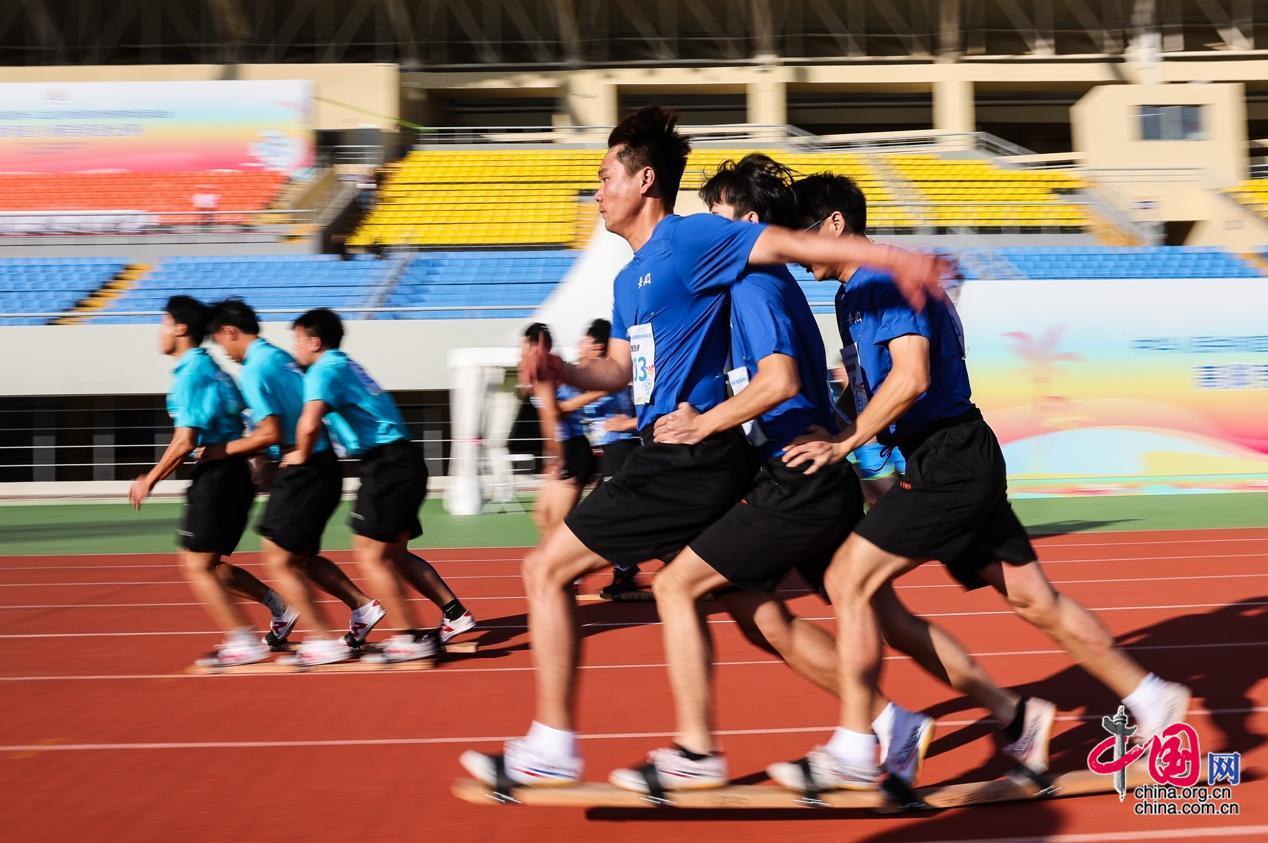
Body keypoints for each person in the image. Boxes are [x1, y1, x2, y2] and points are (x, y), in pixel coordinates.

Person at [458, 105, 944, 789]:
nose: (596, 191)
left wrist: (896, 256)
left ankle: (561, 745)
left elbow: (794, 247)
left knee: (546, 571)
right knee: (754, 610)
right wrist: (563, 371)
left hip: (687, 455)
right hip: (699, 455)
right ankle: (885, 721)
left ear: (644, 179)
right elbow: (621, 370)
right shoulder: (629, 279)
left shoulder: (697, 238)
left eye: (603, 177)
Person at [767, 172, 1191, 792]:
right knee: (1031, 599)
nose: (799, 257)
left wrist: (848, 441)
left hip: (952, 459)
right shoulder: (855, 292)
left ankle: (860, 745)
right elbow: (886, 384)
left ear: (833, 225)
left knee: (846, 580)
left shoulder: (882, 279)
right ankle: (1145, 698)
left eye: (799, 238)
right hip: (946, 455)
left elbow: (909, 377)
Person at [607, 152, 933, 794]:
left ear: (748, 223)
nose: (701, 230)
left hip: (796, 478)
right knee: (765, 613)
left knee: (678, 588)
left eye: (715, 216)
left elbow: (776, 381)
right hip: (789, 471)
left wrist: (704, 424)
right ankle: (900, 722)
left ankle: (703, 753)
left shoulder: (754, 283)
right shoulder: (746, 283)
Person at [283, 308, 475, 660]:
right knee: (393, 553)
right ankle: (455, 614)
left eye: (296, 338)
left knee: (370, 555)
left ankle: (406, 638)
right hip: (403, 460)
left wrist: (299, 454)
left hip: (387, 464)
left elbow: (309, 424)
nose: (292, 346)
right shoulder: (343, 364)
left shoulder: (323, 369)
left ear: (314, 341)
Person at [204, 299, 386, 667]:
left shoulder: (256, 368)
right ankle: (362, 608)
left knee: (279, 558)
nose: (222, 351)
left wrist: (221, 452)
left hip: (305, 465)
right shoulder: (277, 357)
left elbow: (269, 429)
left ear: (230, 332)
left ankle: (322, 639)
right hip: (317, 464)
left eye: (219, 342)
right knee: (300, 558)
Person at [129, 295, 295, 667]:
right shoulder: (213, 369)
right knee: (205, 560)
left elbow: (185, 440)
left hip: (219, 476)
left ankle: (244, 641)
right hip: (228, 475)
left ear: (181, 328)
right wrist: (258, 464)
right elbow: (245, 418)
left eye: (162, 323)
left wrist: (149, 479)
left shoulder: (193, 373)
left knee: (196, 565)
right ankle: (278, 608)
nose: (158, 332)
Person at [576, 318, 641, 597]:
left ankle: (618, 570)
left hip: (622, 450)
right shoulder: (594, 372)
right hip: (610, 453)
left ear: (598, 345)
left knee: (599, 514)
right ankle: (625, 571)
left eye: (585, 339)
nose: (580, 344)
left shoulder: (608, 374)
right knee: (615, 515)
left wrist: (625, 424)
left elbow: (642, 412)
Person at [523, 323, 602, 536]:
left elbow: (553, 413)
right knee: (542, 515)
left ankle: (564, 562)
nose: (523, 352)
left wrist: (556, 456)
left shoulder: (554, 372)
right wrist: (551, 456)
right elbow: (547, 418)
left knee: (559, 524)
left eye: (528, 347)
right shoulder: (538, 374)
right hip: (561, 450)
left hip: (572, 449)